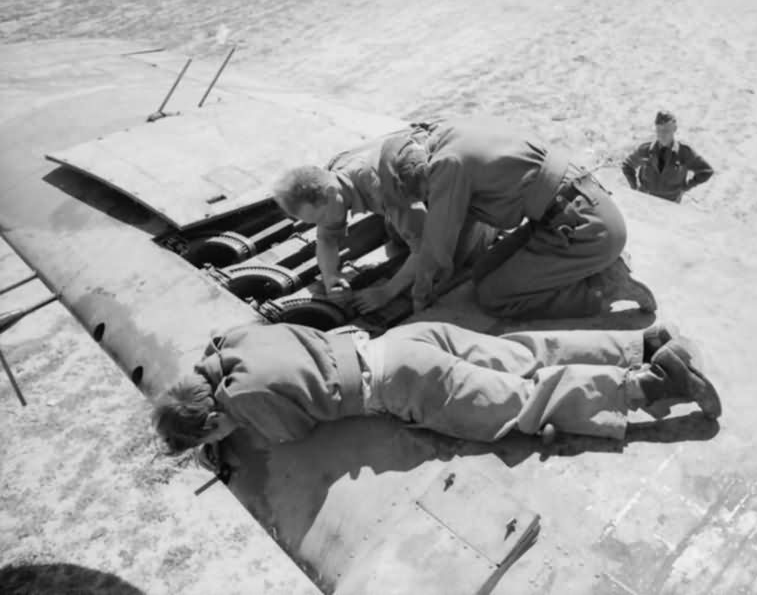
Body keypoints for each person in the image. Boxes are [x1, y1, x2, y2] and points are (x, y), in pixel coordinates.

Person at [152, 320, 721, 454]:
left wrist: (232, 433)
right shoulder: (232, 342)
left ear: (210, 419)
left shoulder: (242, 400)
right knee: (523, 353)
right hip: (404, 340)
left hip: (404, 382)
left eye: (211, 436)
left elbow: (291, 432)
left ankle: (649, 383)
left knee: (521, 404)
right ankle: (642, 343)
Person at [374, 117, 656, 319]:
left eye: (426, 196)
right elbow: (461, 223)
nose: (430, 201)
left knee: (495, 298)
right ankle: (595, 265)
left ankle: (604, 288)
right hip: (566, 215)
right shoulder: (448, 133)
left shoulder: (446, 166)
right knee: (483, 272)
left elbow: (437, 244)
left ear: (422, 178)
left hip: (585, 228)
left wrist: (417, 295)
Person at [270, 130, 497, 314]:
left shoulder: (386, 190)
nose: (322, 224)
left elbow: (427, 249)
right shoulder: (332, 181)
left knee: (449, 260)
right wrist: (331, 277)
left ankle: (488, 229)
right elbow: (326, 237)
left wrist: (387, 292)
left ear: (331, 192)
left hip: (463, 184)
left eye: (319, 218)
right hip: (411, 184)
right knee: (398, 233)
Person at [621, 111, 714, 203]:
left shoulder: (684, 153)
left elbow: (706, 171)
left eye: (666, 131)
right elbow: (627, 165)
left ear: (674, 129)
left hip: (670, 205)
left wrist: (686, 187)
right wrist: (634, 187)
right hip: (645, 202)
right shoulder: (645, 150)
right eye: (659, 130)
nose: (662, 135)